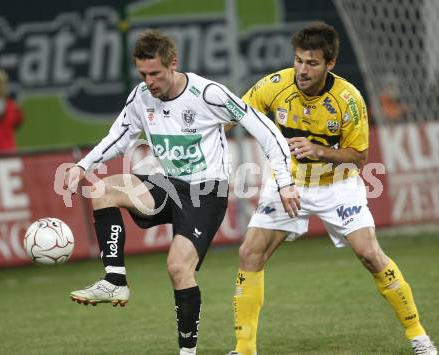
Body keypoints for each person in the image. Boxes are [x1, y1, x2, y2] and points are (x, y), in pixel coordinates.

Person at [62, 29, 300, 355]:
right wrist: (83, 165)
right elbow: (118, 136)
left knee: (178, 268)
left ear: (174, 63)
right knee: (102, 190)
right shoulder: (141, 96)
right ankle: (115, 281)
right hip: (169, 183)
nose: (150, 81)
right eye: (143, 74)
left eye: (156, 74)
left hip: (206, 192)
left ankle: (187, 353)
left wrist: (284, 179)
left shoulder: (207, 94)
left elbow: (264, 128)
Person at [228, 22, 437, 355]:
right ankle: (244, 349)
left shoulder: (348, 100)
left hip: (337, 186)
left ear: (330, 65)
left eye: (312, 63)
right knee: (249, 254)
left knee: (370, 255)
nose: (302, 69)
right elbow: (233, 114)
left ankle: (419, 337)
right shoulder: (275, 85)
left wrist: (320, 150)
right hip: (290, 182)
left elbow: (358, 157)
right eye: (298, 60)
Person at [0, 70, 24, 152]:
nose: (0, 86)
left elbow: (18, 122)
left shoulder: (13, 106)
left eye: (2, 83)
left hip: (9, 153)